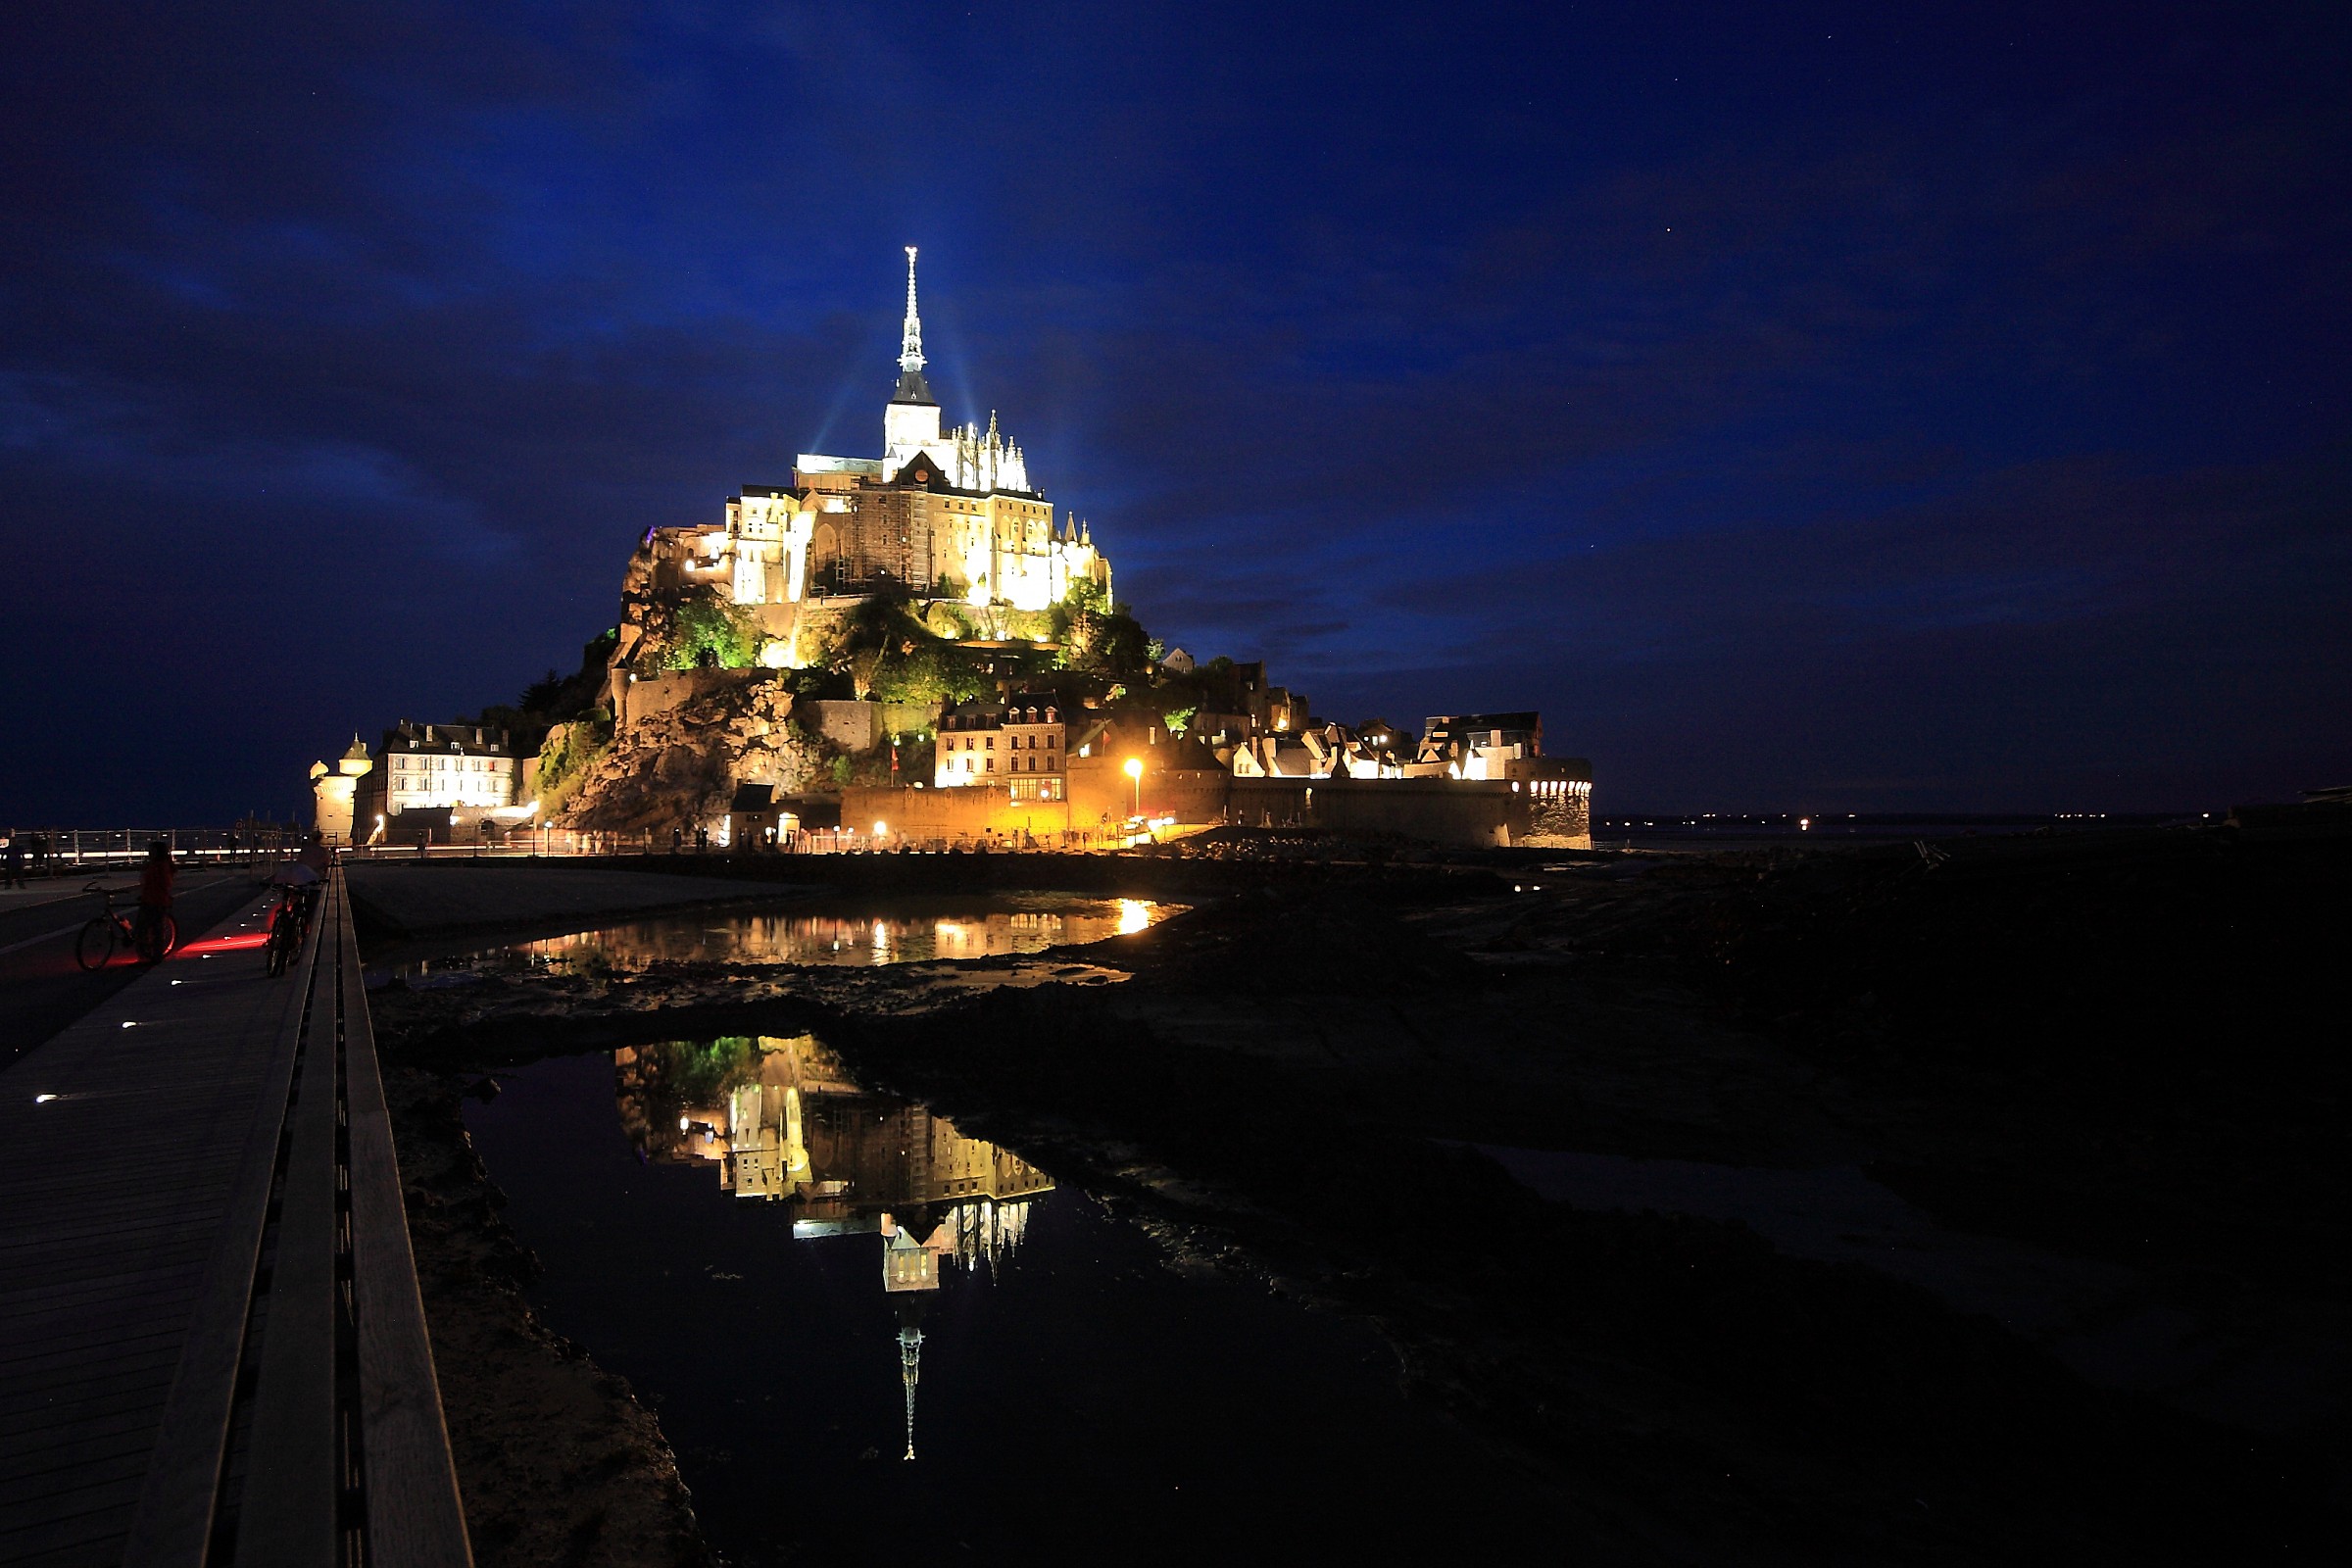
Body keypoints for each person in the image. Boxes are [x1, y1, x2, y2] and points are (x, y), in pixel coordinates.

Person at [135, 841, 175, 960]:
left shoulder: (162, 866)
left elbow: (165, 883)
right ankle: (147, 954)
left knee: (154, 929)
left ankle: (155, 955)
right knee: (145, 928)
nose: (150, 853)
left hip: (157, 900)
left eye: (152, 850)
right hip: (150, 898)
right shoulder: (154, 865)